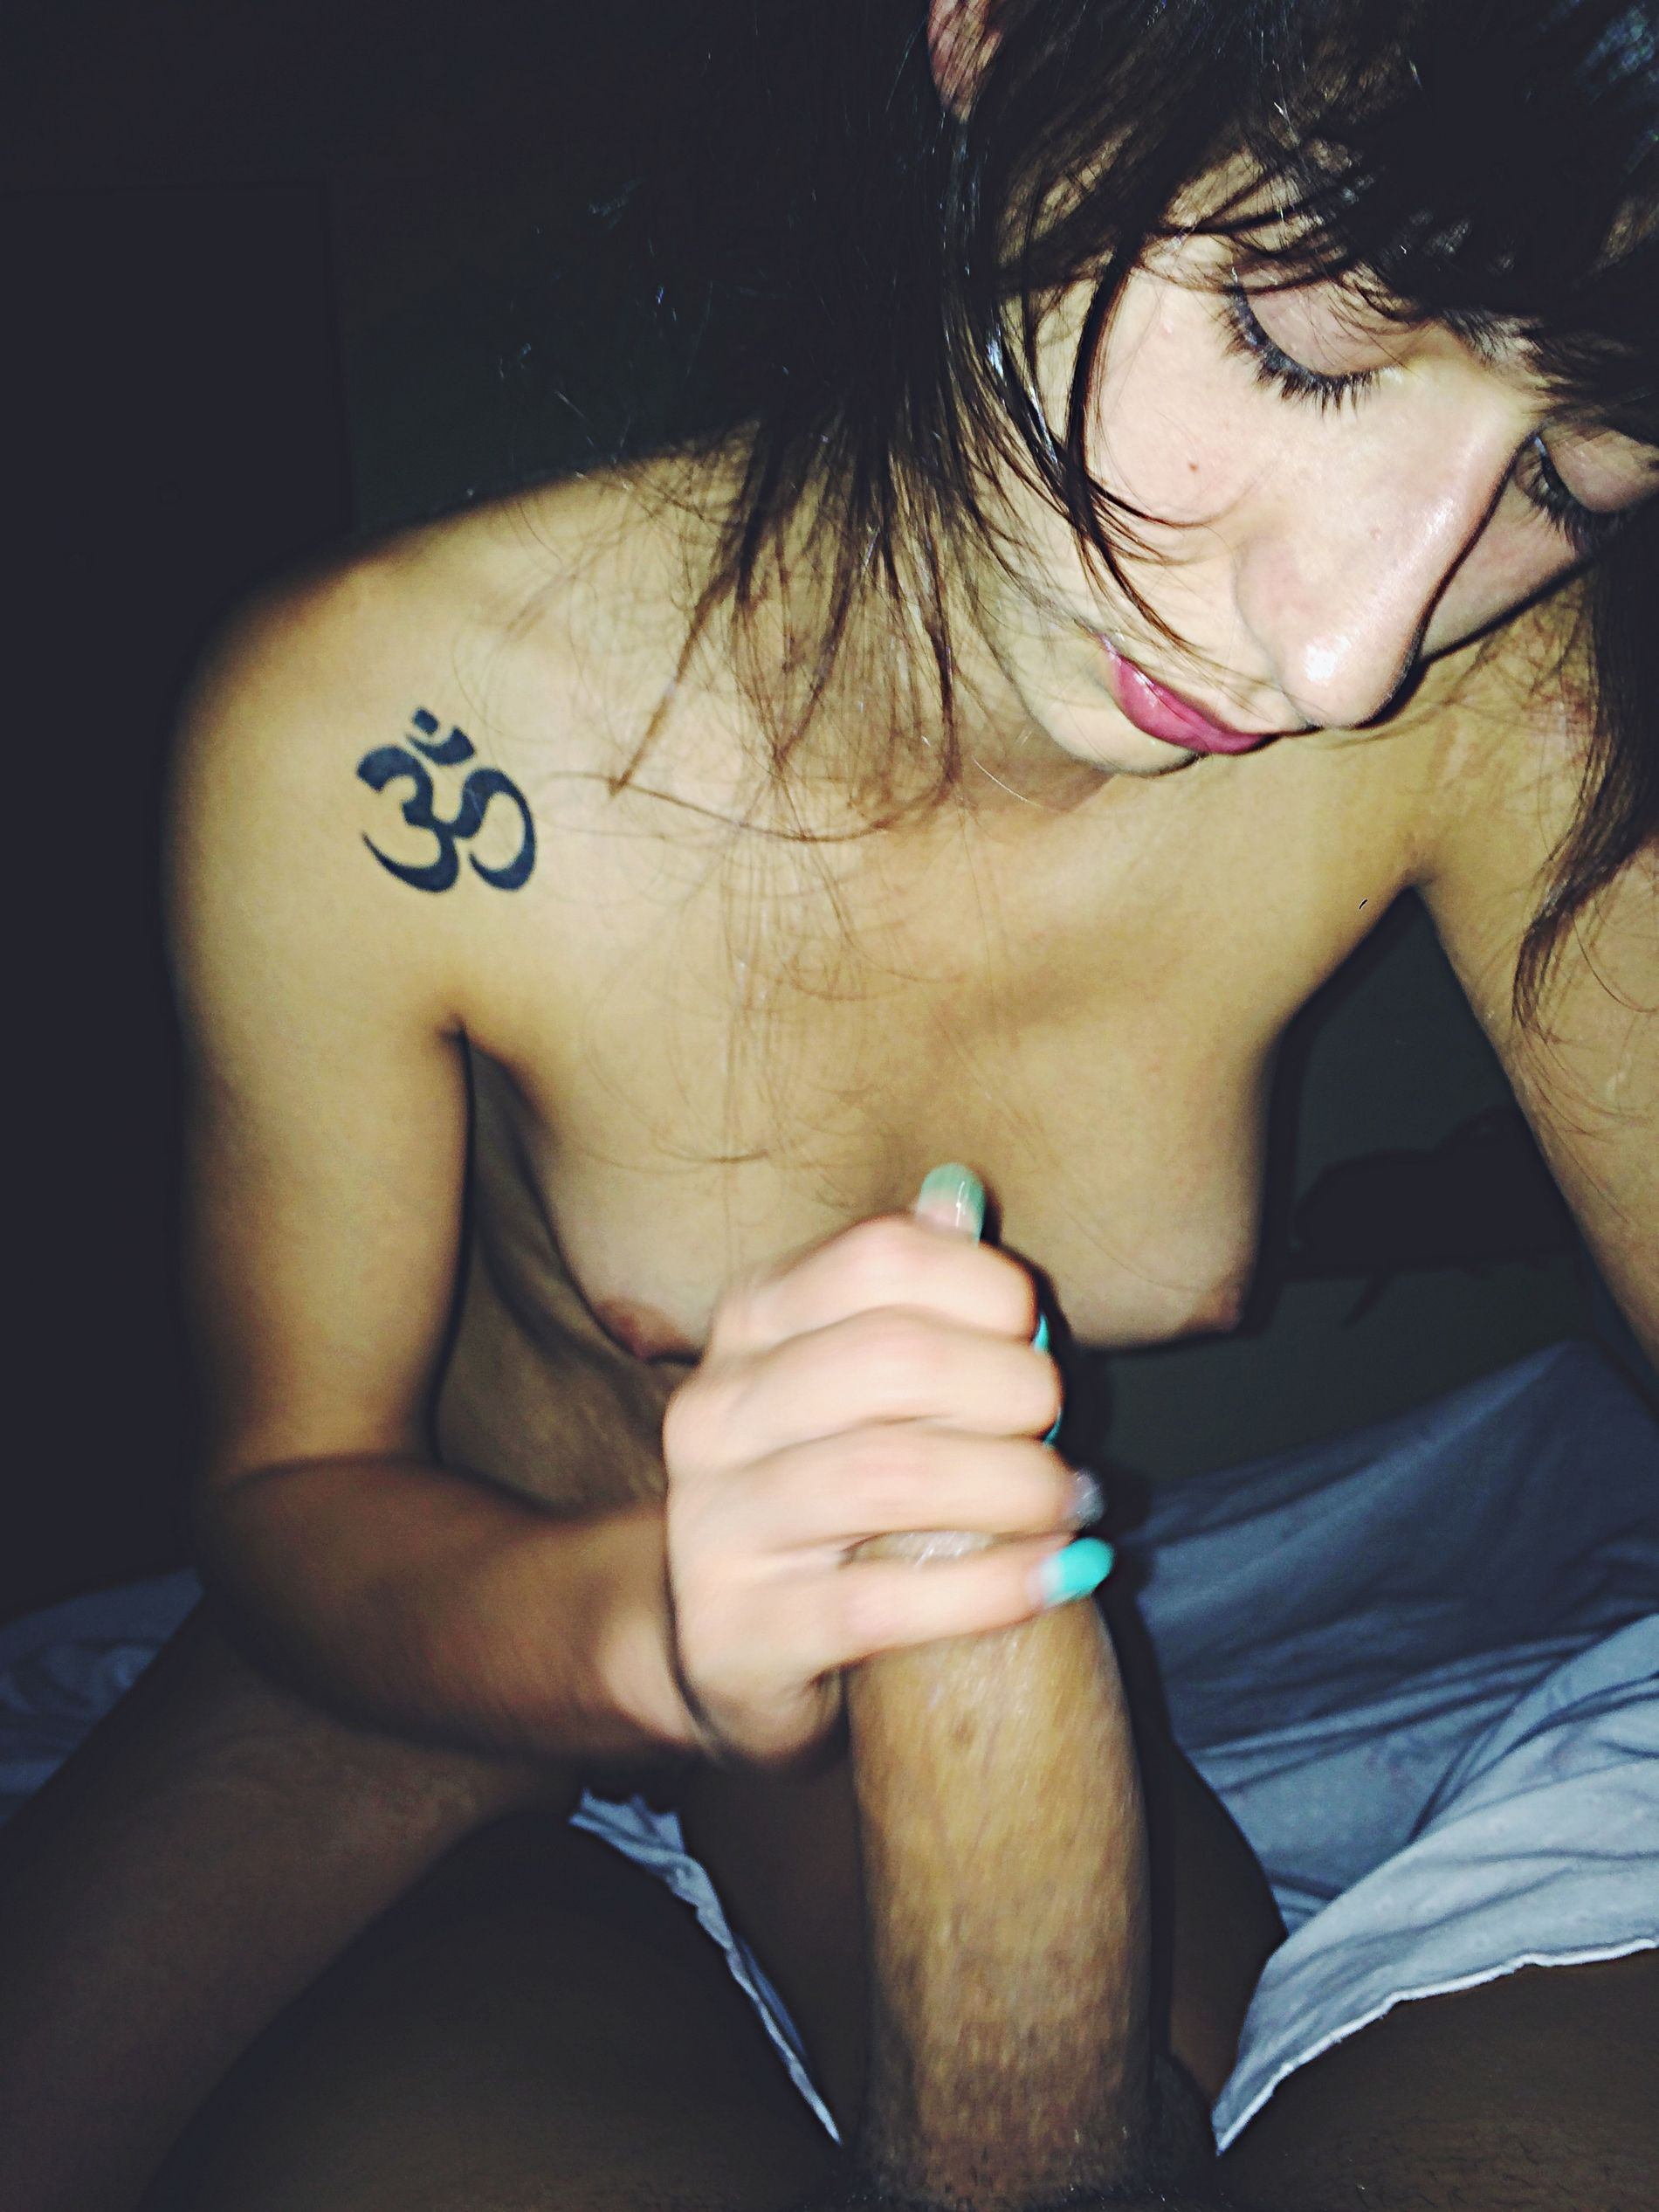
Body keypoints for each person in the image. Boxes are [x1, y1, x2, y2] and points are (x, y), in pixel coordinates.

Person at [1, 1, 1656, 2206]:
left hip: (947, 1680)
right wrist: (647, 1632)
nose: (1345, 649)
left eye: (1568, 474)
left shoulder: (1487, 705)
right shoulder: (388, 732)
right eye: (1299, 341)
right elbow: (288, 1491)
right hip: (445, 1629)